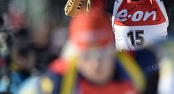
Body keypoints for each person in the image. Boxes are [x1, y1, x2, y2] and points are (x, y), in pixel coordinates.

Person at [17, 10, 145, 94]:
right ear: (75, 54)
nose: (96, 64)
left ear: (113, 50)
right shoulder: (57, 81)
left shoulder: (134, 66)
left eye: (103, 53)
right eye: (86, 56)